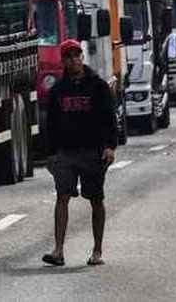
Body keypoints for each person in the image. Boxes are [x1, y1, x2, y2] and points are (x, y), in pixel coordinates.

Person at [43, 39, 117, 267]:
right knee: (62, 197)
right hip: (65, 153)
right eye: (69, 57)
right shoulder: (58, 90)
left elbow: (109, 119)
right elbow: (51, 124)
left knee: (96, 199)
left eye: (77, 55)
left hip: (93, 152)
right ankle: (58, 250)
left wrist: (109, 146)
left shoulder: (97, 86)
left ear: (82, 58)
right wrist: (50, 154)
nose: (74, 60)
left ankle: (97, 251)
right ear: (63, 61)